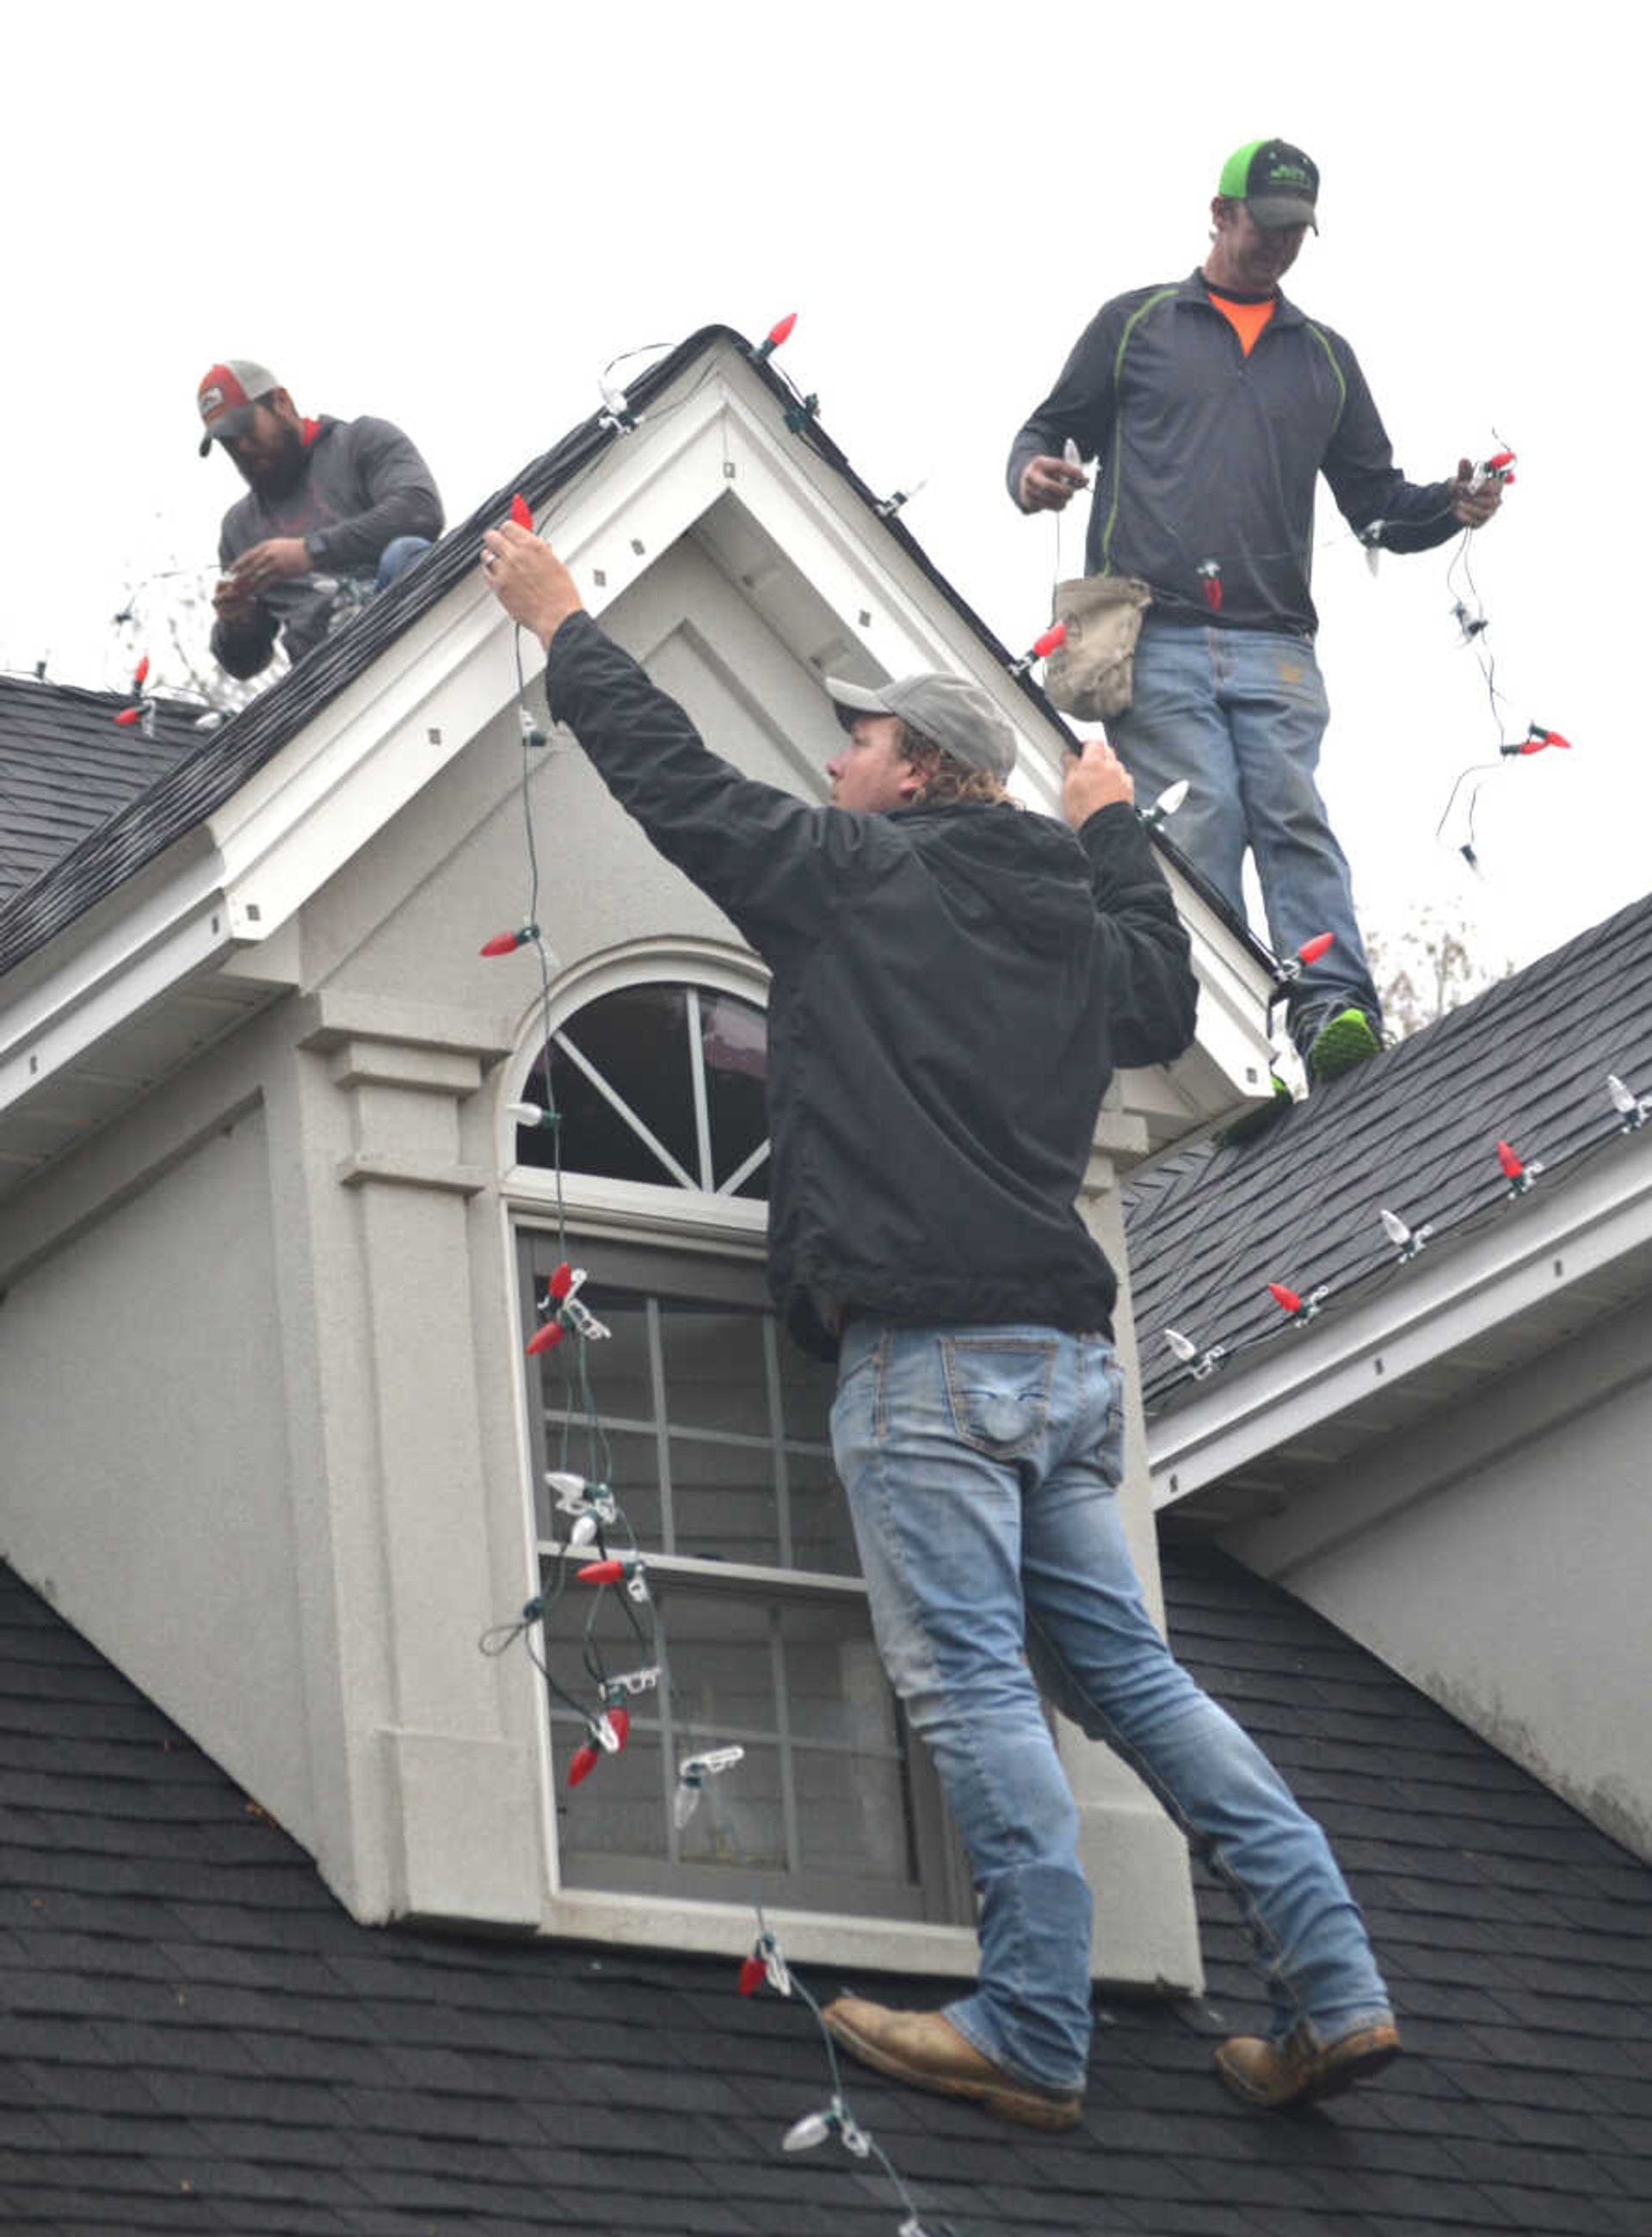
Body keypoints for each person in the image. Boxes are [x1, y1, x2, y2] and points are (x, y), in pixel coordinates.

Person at [480, 515, 1401, 2128]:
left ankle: (1034, 2026)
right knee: (1135, 1682)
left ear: (918, 775)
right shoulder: (1081, 926)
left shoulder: (853, 883)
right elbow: (1163, 1002)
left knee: (972, 1686)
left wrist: (565, 622)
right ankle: (1333, 1983)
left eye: (861, 738)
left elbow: (676, 785)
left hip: (929, 1366)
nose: (838, 760)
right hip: (1060, 1366)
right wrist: (1111, 827)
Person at [1008, 139, 1504, 1084]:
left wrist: (1452, 503)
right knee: (1204, 820)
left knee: (1293, 816)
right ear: (1220, 212)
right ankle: (1225, 1046)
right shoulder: (1137, 323)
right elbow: (1046, 427)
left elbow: (1377, 505)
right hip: (1147, 628)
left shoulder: (1322, 357)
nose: (1279, 247)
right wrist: (1032, 472)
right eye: (1266, 226)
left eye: (1295, 232)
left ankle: (1334, 1016)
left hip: (1275, 639)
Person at [196, 359, 444, 680]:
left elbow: (419, 510)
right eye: (228, 442)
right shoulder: (239, 530)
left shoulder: (360, 441)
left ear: (281, 403)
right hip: (323, 680)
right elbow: (245, 664)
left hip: (408, 630)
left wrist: (310, 551)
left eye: (246, 429)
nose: (242, 446)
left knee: (406, 552)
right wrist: (239, 622)